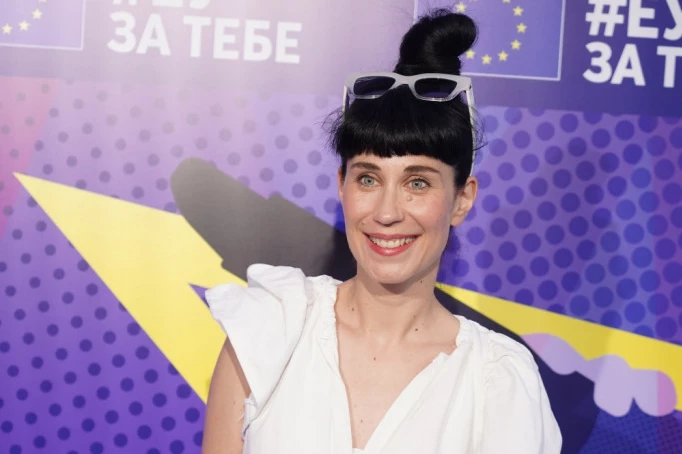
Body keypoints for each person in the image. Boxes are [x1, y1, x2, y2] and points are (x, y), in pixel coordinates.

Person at [201, 10, 562, 454]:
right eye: (368, 179)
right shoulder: (270, 328)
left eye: (417, 183)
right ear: (342, 185)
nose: (387, 213)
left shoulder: (496, 380)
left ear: (462, 199)